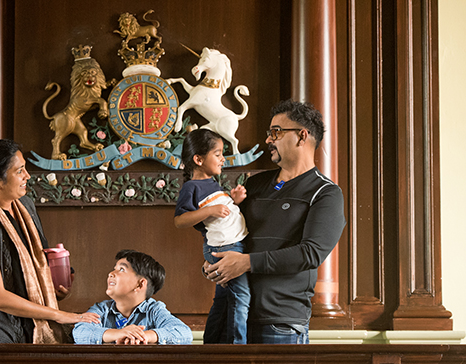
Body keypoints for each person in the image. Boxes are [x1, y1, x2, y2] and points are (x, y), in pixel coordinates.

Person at [204, 100, 346, 344]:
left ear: (302, 136)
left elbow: (310, 254)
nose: (269, 139)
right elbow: (227, 232)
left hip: (279, 323)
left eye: (276, 132)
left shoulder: (325, 193)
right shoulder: (254, 185)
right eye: (270, 133)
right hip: (228, 316)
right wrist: (214, 263)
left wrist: (247, 263)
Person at [0, 139, 100, 344]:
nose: (27, 176)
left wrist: (54, 285)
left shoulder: (25, 207)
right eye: (19, 171)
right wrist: (58, 315)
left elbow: (33, 267)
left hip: (30, 336)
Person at [173, 129, 250, 344]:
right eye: (217, 154)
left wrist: (232, 200)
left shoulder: (212, 184)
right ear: (198, 159)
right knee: (241, 297)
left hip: (232, 244)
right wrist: (209, 211)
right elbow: (180, 220)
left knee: (224, 299)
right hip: (226, 248)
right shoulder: (191, 186)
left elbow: (220, 214)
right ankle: (238, 347)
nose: (222, 159)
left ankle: (212, 342)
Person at [72, 250, 193, 345]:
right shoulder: (101, 309)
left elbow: (183, 332)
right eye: (114, 268)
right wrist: (119, 334)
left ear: (140, 284)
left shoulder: (154, 310)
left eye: (121, 269)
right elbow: (80, 332)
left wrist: (143, 336)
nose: (111, 273)